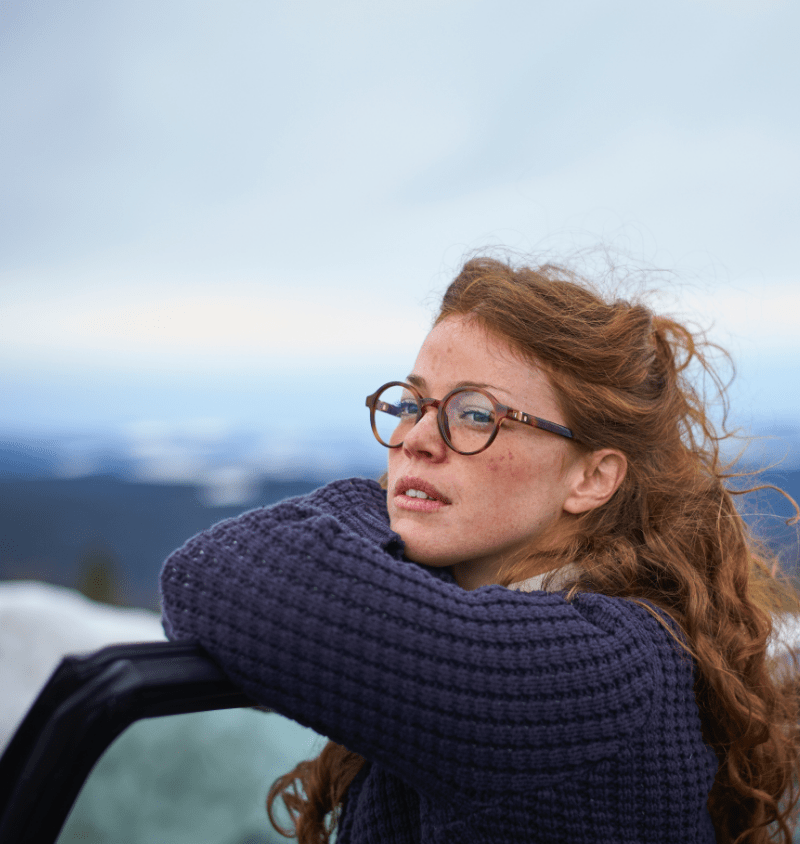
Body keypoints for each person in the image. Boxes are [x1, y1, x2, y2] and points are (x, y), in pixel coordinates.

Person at [159, 255, 800, 843]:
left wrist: (386, 499)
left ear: (592, 478)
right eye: (412, 403)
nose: (414, 438)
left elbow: (216, 578)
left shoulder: (597, 670)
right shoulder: (526, 622)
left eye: (474, 414)